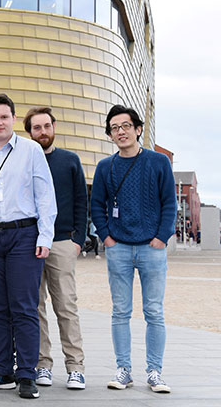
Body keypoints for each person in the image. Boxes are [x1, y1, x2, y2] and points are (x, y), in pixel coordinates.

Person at [0, 94, 57, 399]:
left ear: (14, 119)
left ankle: (27, 373)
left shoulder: (31, 150)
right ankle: (2, 370)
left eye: (4, 117)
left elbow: (45, 195)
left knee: (24, 307)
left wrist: (45, 236)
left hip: (23, 235)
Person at [91, 105, 176, 393]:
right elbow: (96, 206)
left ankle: (154, 371)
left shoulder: (159, 162)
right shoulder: (106, 167)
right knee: (120, 312)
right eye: (114, 128)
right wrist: (107, 238)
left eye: (126, 125)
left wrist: (162, 237)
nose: (121, 131)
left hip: (152, 247)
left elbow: (169, 203)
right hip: (119, 248)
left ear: (138, 129)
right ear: (110, 135)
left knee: (154, 311)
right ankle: (123, 369)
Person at [25, 107, 88, 390]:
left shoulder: (70, 160)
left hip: (62, 242)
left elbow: (81, 202)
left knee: (66, 306)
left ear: (54, 127)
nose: (43, 132)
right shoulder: (23, 160)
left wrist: (78, 240)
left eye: (47, 126)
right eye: (37, 128)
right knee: (34, 306)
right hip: (28, 242)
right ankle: (42, 365)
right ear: (29, 132)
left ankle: (75, 367)